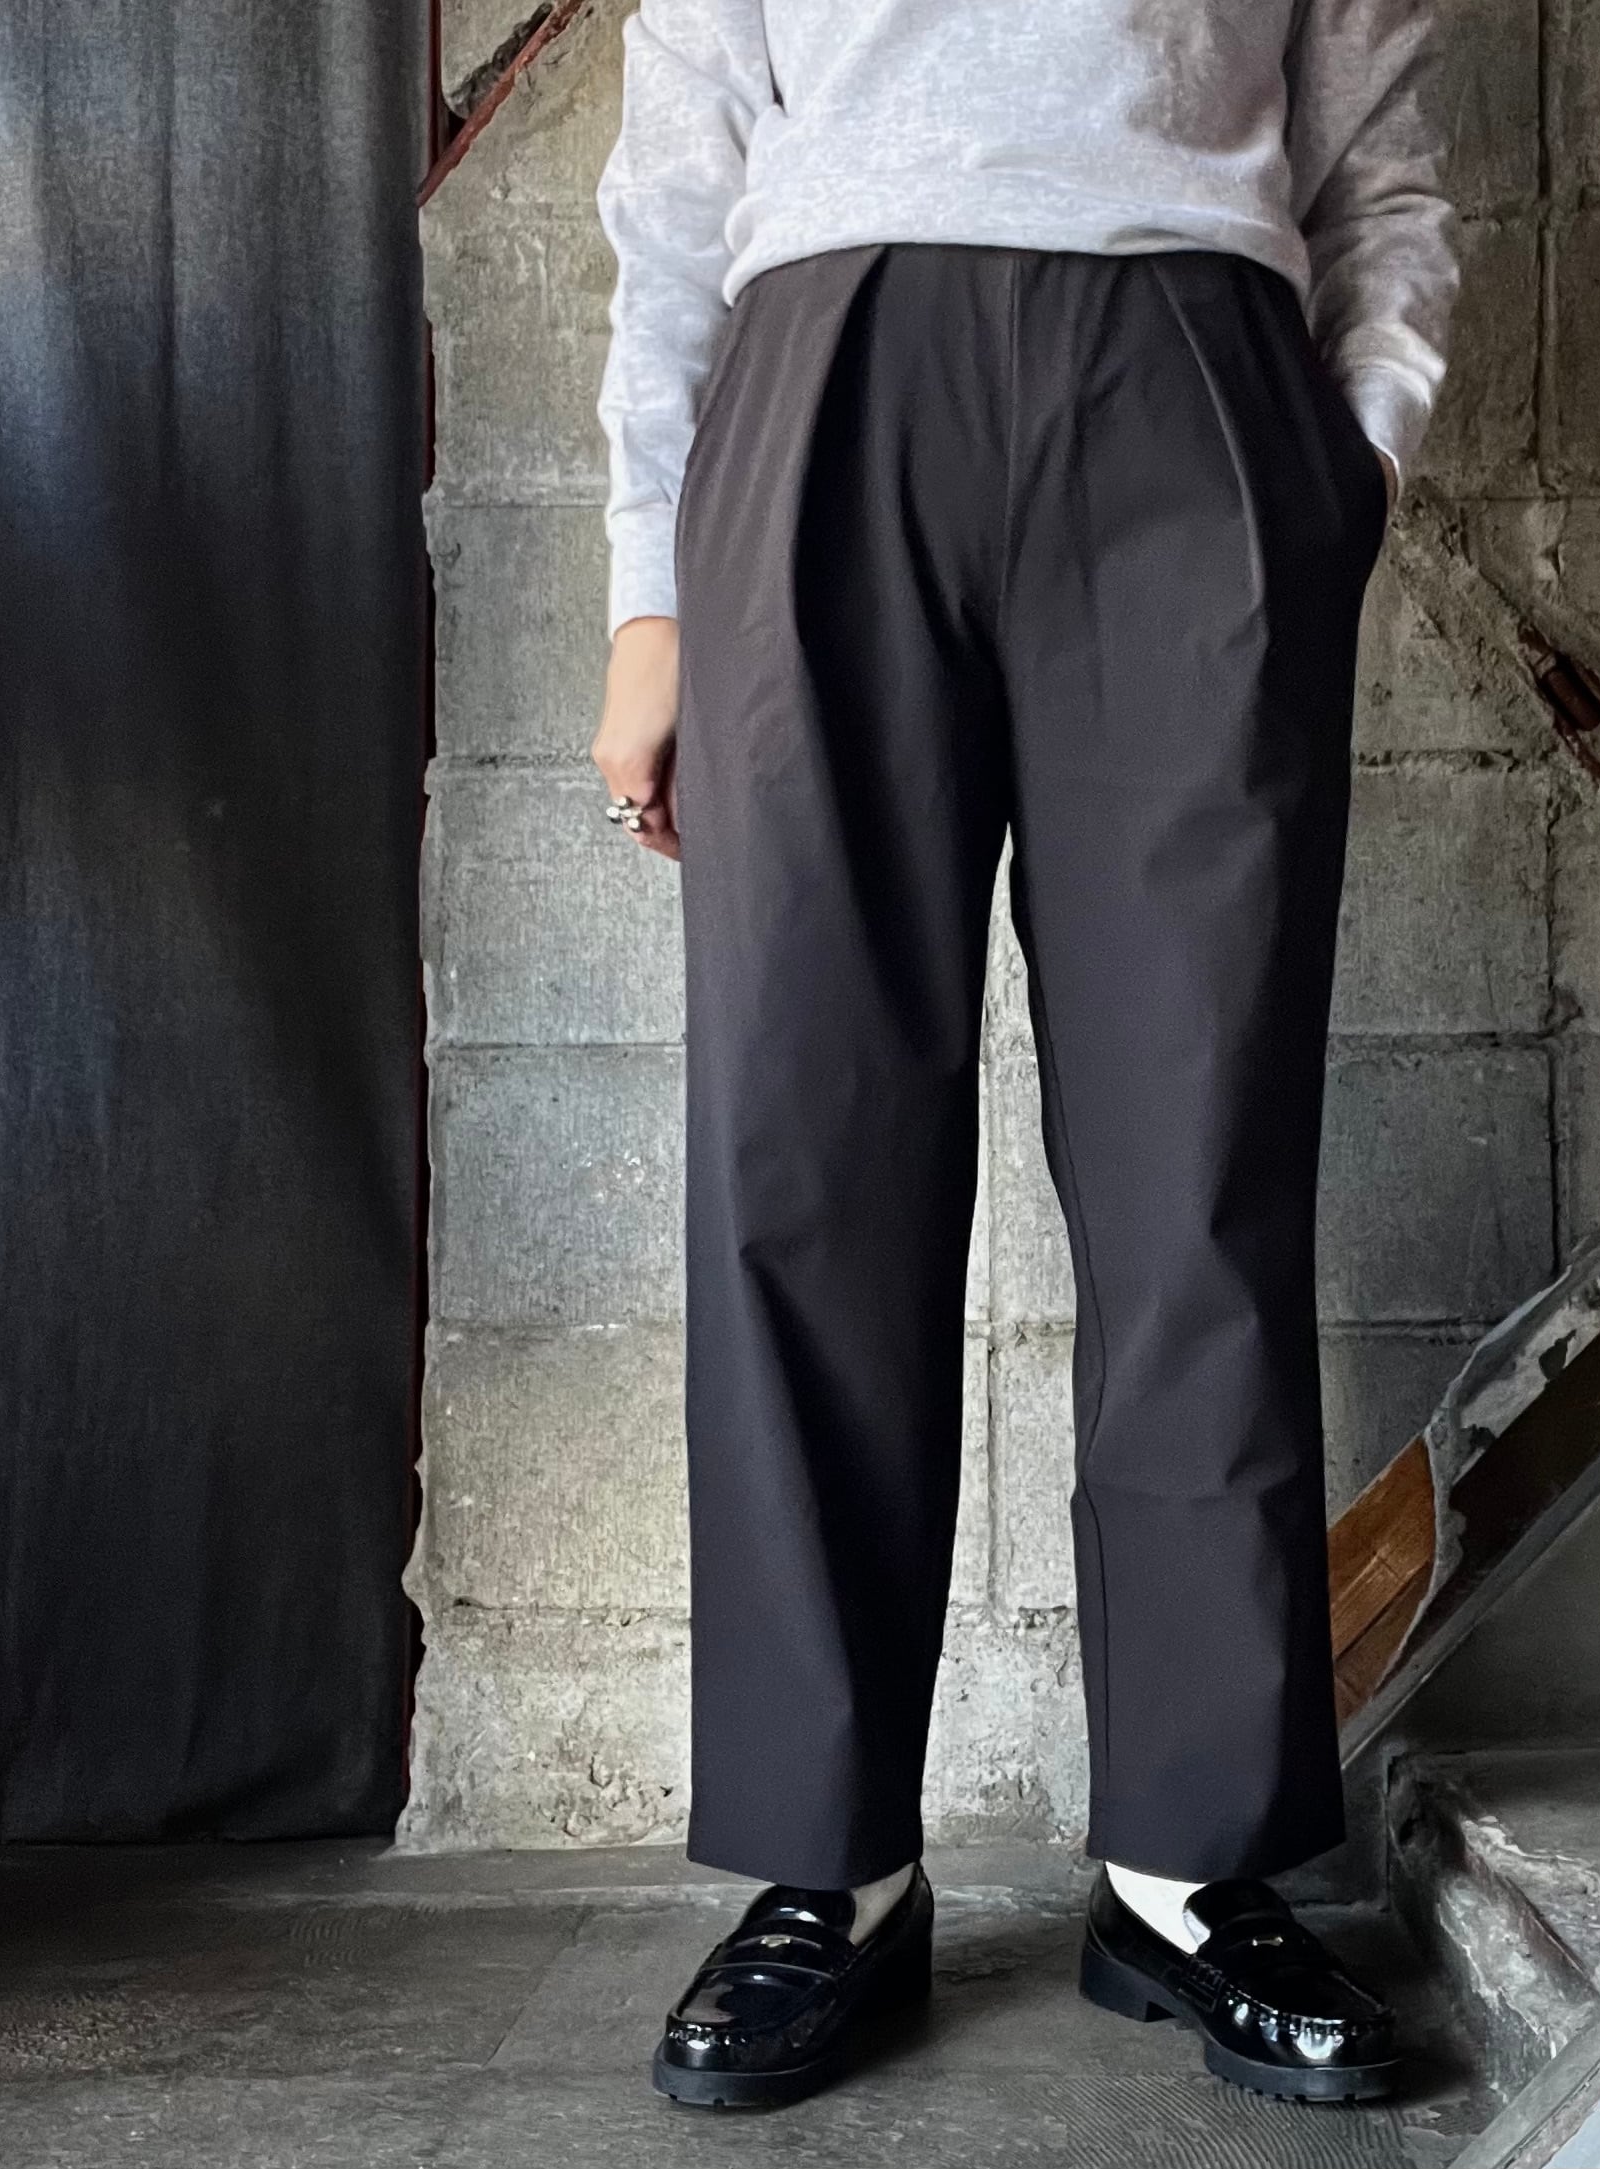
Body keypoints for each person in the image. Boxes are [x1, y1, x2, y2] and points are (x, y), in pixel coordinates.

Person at [589, 0, 1460, 2111]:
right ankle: (830, 1866)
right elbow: (680, 177)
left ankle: (1185, 1862)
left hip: (1193, 394)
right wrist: (647, 598)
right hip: (822, 394)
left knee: (1196, 1160)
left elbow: (1381, 163)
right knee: (803, 1154)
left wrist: (1340, 469)